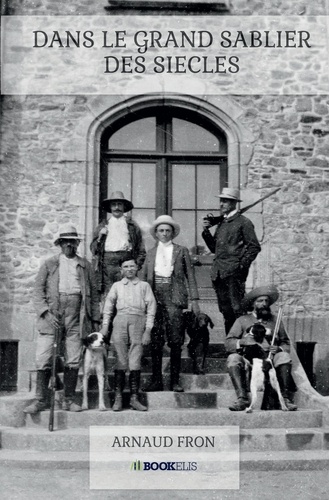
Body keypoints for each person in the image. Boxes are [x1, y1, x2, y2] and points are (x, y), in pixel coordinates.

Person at [24, 223, 100, 414]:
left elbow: (94, 297)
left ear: (77, 244)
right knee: (43, 357)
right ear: (60, 244)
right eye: (65, 242)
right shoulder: (50, 264)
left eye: (73, 242)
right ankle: (41, 399)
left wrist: (94, 320)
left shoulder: (85, 266)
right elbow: (37, 291)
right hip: (52, 316)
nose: (69, 246)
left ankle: (68, 399)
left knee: (73, 358)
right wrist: (46, 313)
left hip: (76, 316)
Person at [142, 215, 200, 393]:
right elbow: (144, 278)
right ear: (156, 234)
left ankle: (175, 381)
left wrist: (195, 300)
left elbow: (190, 276)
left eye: (168, 231)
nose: (165, 234)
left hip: (174, 297)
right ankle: (156, 380)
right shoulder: (150, 253)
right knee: (156, 340)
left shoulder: (181, 251)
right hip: (155, 297)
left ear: (173, 233)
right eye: (161, 231)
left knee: (176, 340)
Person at [225, 284, 297, 411]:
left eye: (266, 301)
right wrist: (242, 341)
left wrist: (279, 349)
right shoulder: (242, 320)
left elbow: (285, 342)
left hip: (270, 357)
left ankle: (285, 399)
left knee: (284, 356)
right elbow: (229, 342)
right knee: (233, 358)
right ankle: (242, 398)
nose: (264, 304)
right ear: (253, 304)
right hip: (249, 359)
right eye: (260, 301)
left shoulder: (275, 320)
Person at [202, 187, 261, 335]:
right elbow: (215, 249)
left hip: (234, 274)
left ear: (234, 203)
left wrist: (241, 266)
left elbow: (254, 247)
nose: (221, 204)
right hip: (219, 273)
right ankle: (231, 345)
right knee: (225, 311)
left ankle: (242, 346)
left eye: (226, 201)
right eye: (221, 201)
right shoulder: (222, 223)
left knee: (238, 310)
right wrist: (206, 232)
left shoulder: (244, 222)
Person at [100, 258, 156, 412]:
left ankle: (134, 398)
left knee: (135, 359)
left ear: (137, 267)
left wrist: (148, 330)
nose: (129, 269)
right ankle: (118, 398)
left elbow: (151, 309)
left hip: (138, 320)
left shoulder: (144, 286)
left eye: (132, 266)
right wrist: (105, 326)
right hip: (120, 320)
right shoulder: (117, 286)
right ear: (121, 269)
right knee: (120, 358)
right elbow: (108, 307)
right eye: (126, 266)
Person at [90, 191, 146, 299]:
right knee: (110, 295)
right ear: (110, 207)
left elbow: (141, 250)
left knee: (126, 294)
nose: (117, 207)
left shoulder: (132, 226)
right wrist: (100, 237)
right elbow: (93, 249)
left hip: (126, 263)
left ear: (124, 207)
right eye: (114, 204)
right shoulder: (102, 225)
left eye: (119, 204)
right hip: (107, 266)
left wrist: (136, 266)